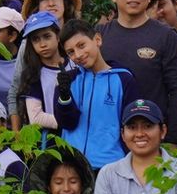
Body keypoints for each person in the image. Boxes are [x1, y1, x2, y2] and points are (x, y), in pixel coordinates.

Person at [98, 0, 177, 136]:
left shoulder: (166, 36)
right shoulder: (99, 35)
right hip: (106, 139)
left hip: (149, 136)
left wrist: (172, 139)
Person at [54, 19, 139, 169]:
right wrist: (64, 96)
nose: (78, 55)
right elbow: (67, 124)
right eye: (70, 52)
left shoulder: (124, 79)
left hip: (111, 165)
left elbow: (132, 126)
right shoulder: (68, 80)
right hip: (73, 166)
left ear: (97, 40)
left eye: (81, 45)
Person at [7, 11, 67, 131]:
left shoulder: (75, 65)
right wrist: (68, 122)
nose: (42, 44)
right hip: (50, 140)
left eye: (47, 36)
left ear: (58, 36)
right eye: (36, 39)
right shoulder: (33, 75)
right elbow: (36, 117)